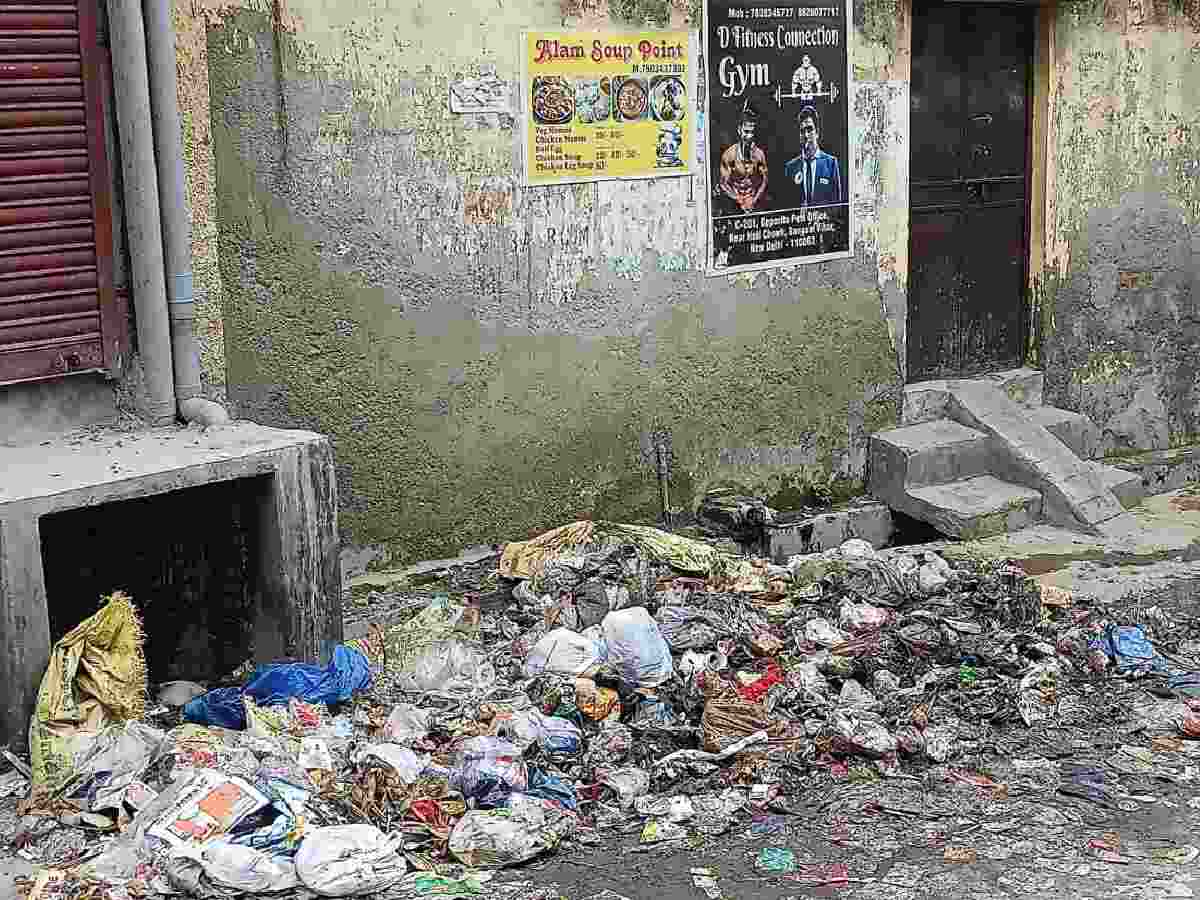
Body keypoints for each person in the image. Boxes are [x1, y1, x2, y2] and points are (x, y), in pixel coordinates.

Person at [784, 106, 842, 206]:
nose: (806, 135)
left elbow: (836, 205)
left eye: (809, 129)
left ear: (817, 132)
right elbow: (787, 204)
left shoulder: (831, 163)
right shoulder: (790, 167)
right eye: (802, 131)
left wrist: (822, 215)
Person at [717, 103, 768, 213]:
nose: (749, 136)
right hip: (734, 204)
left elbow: (764, 181)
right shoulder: (729, 155)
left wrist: (753, 200)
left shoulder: (759, 155)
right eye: (746, 132)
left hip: (754, 202)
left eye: (752, 132)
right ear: (739, 130)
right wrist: (739, 199)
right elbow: (723, 183)